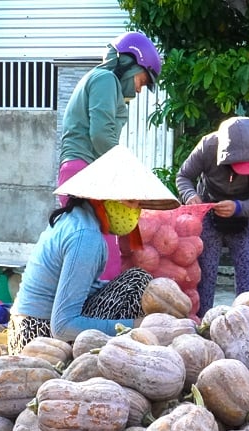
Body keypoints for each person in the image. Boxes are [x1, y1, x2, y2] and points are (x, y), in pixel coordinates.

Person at [7, 144, 180, 352]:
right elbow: (63, 326)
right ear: (106, 197)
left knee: (135, 280)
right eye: (131, 202)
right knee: (136, 282)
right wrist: (134, 326)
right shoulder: (85, 237)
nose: (135, 211)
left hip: (27, 328)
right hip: (38, 338)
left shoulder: (76, 219)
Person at [56, 31, 163, 281]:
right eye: (142, 81)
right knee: (103, 250)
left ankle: (86, 308)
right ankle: (100, 311)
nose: (139, 90)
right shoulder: (105, 79)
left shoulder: (102, 81)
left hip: (82, 169)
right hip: (84, 170)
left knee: (89, 244)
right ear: (130, 63)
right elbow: (102, 136)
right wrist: (126, 178)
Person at [175, 116, 249, 316]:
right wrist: (191, 196)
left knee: (247, 274)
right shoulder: (208, 147)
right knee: (204, 273)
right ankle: (201, 322)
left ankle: (245, 320)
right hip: (210, 209)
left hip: (247, 211)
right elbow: (183, 176)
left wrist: (238, 207)